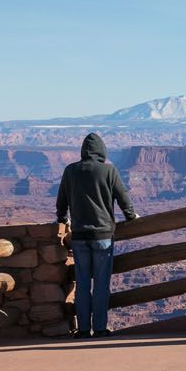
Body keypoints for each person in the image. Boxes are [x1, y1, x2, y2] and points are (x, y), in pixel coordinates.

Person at [55, 132, 138, 338]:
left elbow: (61, 201)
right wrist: (130, 216)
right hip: (103, 236)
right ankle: (99, 328)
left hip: (80, 237)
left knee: (82, 284)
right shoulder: (109, 171)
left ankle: (83, 329)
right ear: (102, 150)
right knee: (101, 284)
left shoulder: (70, 171)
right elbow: (123, 197)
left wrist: (62, 219)